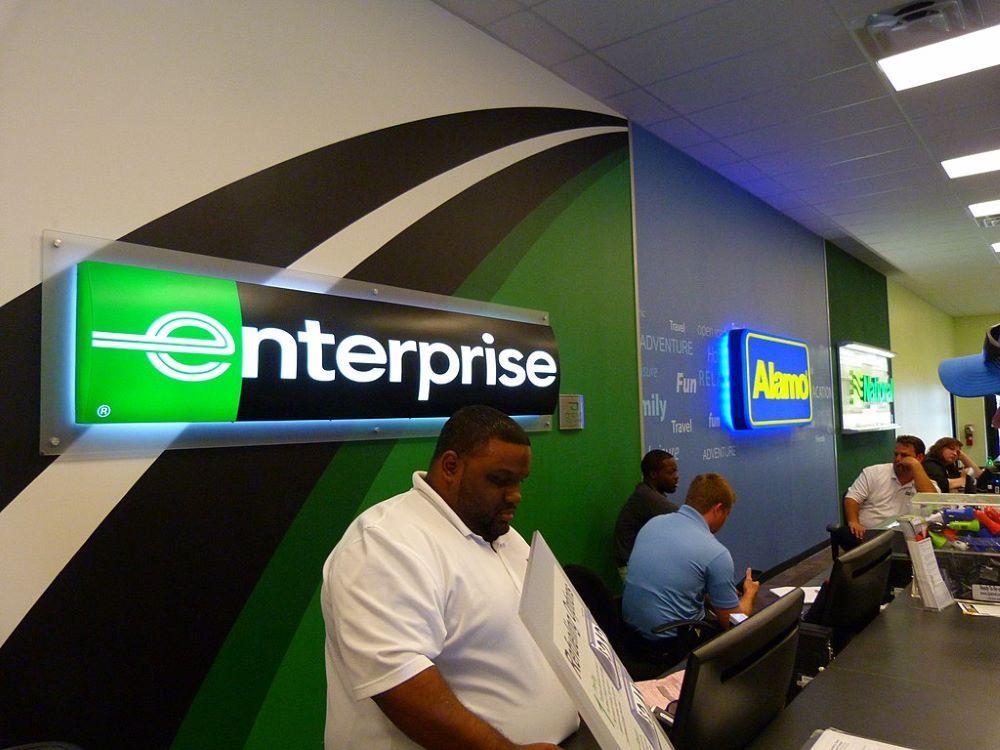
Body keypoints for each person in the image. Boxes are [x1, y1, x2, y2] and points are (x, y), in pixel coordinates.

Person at [321, 405, 578, 750]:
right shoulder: (385, 543)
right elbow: (401, 685)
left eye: (519, 481)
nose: (516, 495)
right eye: (500, 480)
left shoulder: (501, 534)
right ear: (451, 467)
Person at [621, 473, 759, 666]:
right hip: (669, 646)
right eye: (727, 514)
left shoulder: (652, 525)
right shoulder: (716, 553)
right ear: (718, 509)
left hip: (630, 638)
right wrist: (749, 594)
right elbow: (733, 622)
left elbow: (673, 582)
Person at [837, 435, 939, 549]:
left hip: (906, 539)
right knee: (845, 534)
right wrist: (853, 522)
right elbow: (851, 498)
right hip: (870, 535)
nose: (898, 459)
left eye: (905, 456)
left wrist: (915, 465)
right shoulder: (873, 472)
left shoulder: (927, 483)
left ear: (919, 458)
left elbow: (933, 504)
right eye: (896, 454)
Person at [612, 449, 680, 577]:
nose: (676, 476)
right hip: (633, 568)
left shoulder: (648, 494)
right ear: (653, 474)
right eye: (671, 472)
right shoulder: (645, 496)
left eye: (676, 471)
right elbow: (686, 519)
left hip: (640, 564)